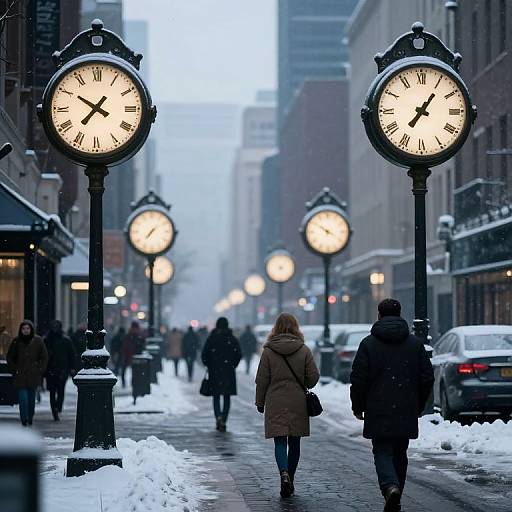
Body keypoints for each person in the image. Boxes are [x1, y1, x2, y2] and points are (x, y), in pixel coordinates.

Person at [350, 298, 434, 512]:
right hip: (406, 406)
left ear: (379, 315)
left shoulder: (368, 344)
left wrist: (357, 405)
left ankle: (390, 487)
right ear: (400, 314)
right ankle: (396, 492)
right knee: (400, 452)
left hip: (378, 407)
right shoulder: (415, 344)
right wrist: (418, 403)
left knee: (382, 451)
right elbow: (427, 377)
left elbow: (359, 379)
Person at [255, 313, 319, 498]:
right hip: (297, 401)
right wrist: (303, 381)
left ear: (275, 327)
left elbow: (262, 380)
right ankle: (290, 476)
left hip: (275, 400)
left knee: (280, 441)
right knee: (295, 441)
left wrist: (260, 402)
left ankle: (283, 473)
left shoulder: (268, 351)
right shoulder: (304, 350)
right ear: (296, 327)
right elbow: (313, 377)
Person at [201, 317, 241, 432]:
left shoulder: (212, 338)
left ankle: (218, 416)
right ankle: (224, 418)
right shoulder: (232, 339)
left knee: (216, 395)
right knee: (227, 396)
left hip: (215, 371)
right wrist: (233, 365)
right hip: (228, 371)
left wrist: (209, 364)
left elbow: (204, 355)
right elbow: (238, 354)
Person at [6, 320, 48, 426]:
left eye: (28, 328)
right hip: (20, 375)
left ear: (31, 329)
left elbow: (44, 357)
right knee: (23, 398)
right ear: (21, 330)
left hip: (33, 375)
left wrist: (39, 369)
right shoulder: (16, 341)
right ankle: (24, 418)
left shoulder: (38, 341)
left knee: (31, 399)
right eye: (24, 329)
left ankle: (30, 417)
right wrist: (14, 369)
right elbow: (10, 357)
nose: (26, 331)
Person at [44, 320, 76, 421]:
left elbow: (71, 355)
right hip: (51, 369)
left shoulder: (66, 340)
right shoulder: (47, 340)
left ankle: (57, 407)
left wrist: (71, 367)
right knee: (53, 391)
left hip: (62, 369)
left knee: (60, 390)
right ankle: (55, 409)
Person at [121, 321, 145, 387]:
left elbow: (141, 346)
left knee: (134, 371)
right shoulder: (131, 336)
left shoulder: (137, 337)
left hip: (133, 356)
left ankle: (133, 383)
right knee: (126, 370)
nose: (135, 330)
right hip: (128, 355)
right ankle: (125, 383)